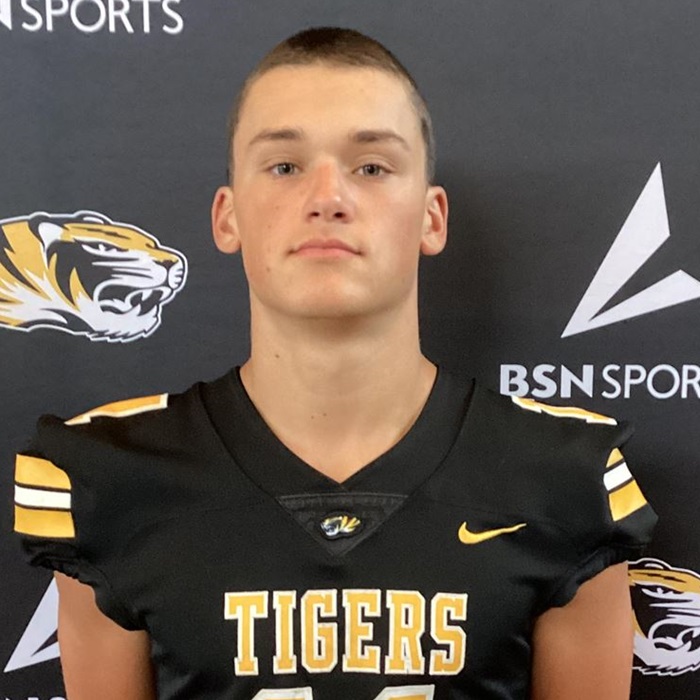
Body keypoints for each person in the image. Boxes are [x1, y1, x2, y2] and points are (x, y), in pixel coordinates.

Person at [13, 27, 656, 700]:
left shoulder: (564, 477)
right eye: (284, 166)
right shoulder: (112, 477)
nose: (328, 197)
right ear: (228, 217)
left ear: (431, 218)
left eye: (371, 167)